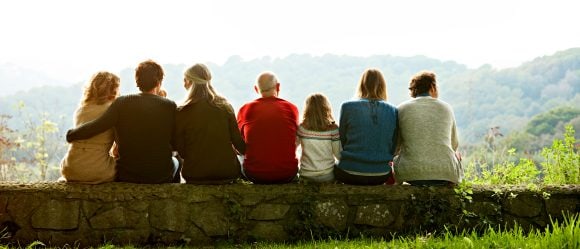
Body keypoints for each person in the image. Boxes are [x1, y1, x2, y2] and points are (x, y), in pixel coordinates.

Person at [66, 60, 180, 184]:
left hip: (127, 174)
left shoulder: (121, 103)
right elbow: (175, 143)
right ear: (159, 82)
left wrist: (72, 134)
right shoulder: (170, 106)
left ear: (137, 81)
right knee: (177, 161)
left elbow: (97, 126)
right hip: (160, 175)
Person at [175, 63, 245, 184]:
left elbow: (180, 147)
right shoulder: (225, 106)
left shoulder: (182, 110)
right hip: (227, 172)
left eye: (185, 80)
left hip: (195, 173)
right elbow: (239, 144)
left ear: (190, 82)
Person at [394, 71, 463, 186]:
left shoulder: (401, 109)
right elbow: (454, 144)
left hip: (410, 173)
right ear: (432, 87)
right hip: (445, 173)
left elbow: (396, 146)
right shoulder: (446, 108)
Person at [335, 68, 398, 185]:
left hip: (349, 171)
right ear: (382, 86)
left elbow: (343, 140)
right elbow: (393, 145)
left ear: (362, 85)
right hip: (381, 174)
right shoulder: (393, 110)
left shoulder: (347, 107)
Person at [237, 71, 299, 184]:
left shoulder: (245, 110)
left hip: (254, 174)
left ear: (256, 89)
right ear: (278, 86)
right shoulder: (291, 108)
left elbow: (238, 144)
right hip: (287, 173)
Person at [60, 72, 120, 184]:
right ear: (113, 90)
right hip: (97, 171)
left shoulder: (80, 110)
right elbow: (118, 146)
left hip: (70, 168)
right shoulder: (112, 110)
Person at [296, 93, 341, 183]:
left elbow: (293, 147)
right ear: (326, 108)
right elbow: (338, 154)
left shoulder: (302, 128)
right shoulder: (333, 129)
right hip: (327, 176)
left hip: (306, 175)